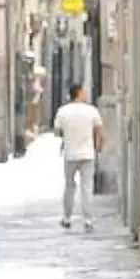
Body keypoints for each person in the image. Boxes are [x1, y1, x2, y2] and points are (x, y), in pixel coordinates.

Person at [52, 83, 103, 229]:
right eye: (84, 91)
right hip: (88, 153)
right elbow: (99, 131)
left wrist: (67, 136)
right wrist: (99, 147)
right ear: (79, 93)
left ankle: (67, 218)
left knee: (69, 186)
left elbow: (57, 131)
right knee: (87, 187)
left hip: (70, 154)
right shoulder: (91, 111)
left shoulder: (63, 111)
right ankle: (88, 220)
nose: (86, 94)